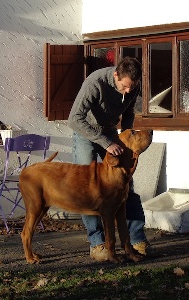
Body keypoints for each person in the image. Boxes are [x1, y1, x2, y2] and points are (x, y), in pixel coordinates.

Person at [68, 56, 151, 261]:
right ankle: (97, 244)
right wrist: (106, 143)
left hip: (111, 132)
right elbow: (74, 119)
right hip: (86, 132)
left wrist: (127, 136)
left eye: (132, 87)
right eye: (124, 86)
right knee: (89, 188)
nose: (129, 91)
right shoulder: (95, 83)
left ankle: (136, 238)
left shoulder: (133, 86)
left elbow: (129, 112)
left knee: (126, 186)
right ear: (116, 75)